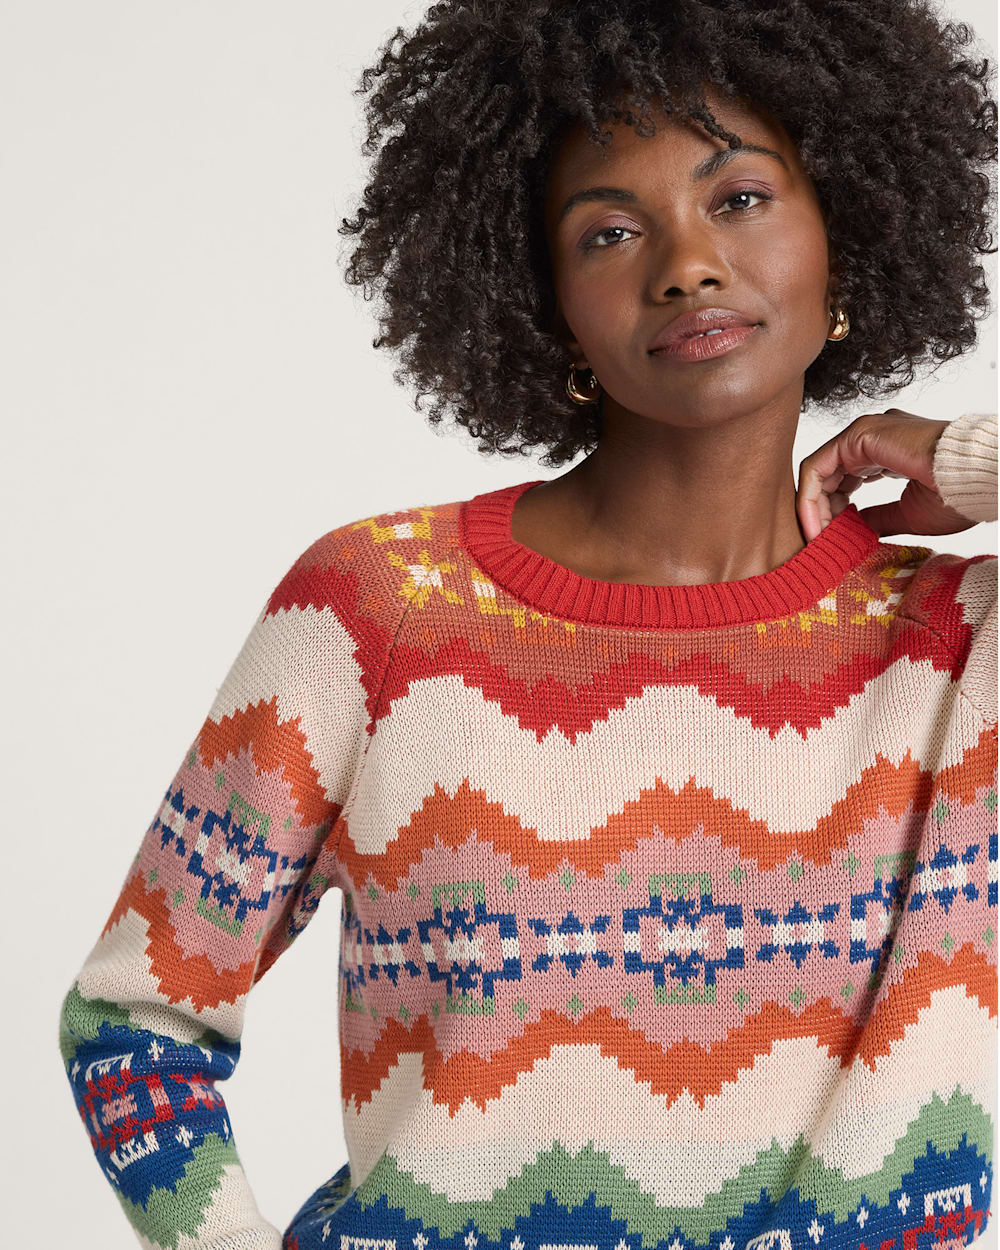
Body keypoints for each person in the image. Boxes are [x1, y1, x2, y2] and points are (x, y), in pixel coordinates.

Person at [58, 2, 999, 1248]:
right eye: (609, 230)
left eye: (740, 199)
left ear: (851, 238)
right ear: (544, 298)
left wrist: (969, 456)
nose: (684, 263)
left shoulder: (957, 642)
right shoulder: (380, 609)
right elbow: (132, 1016)